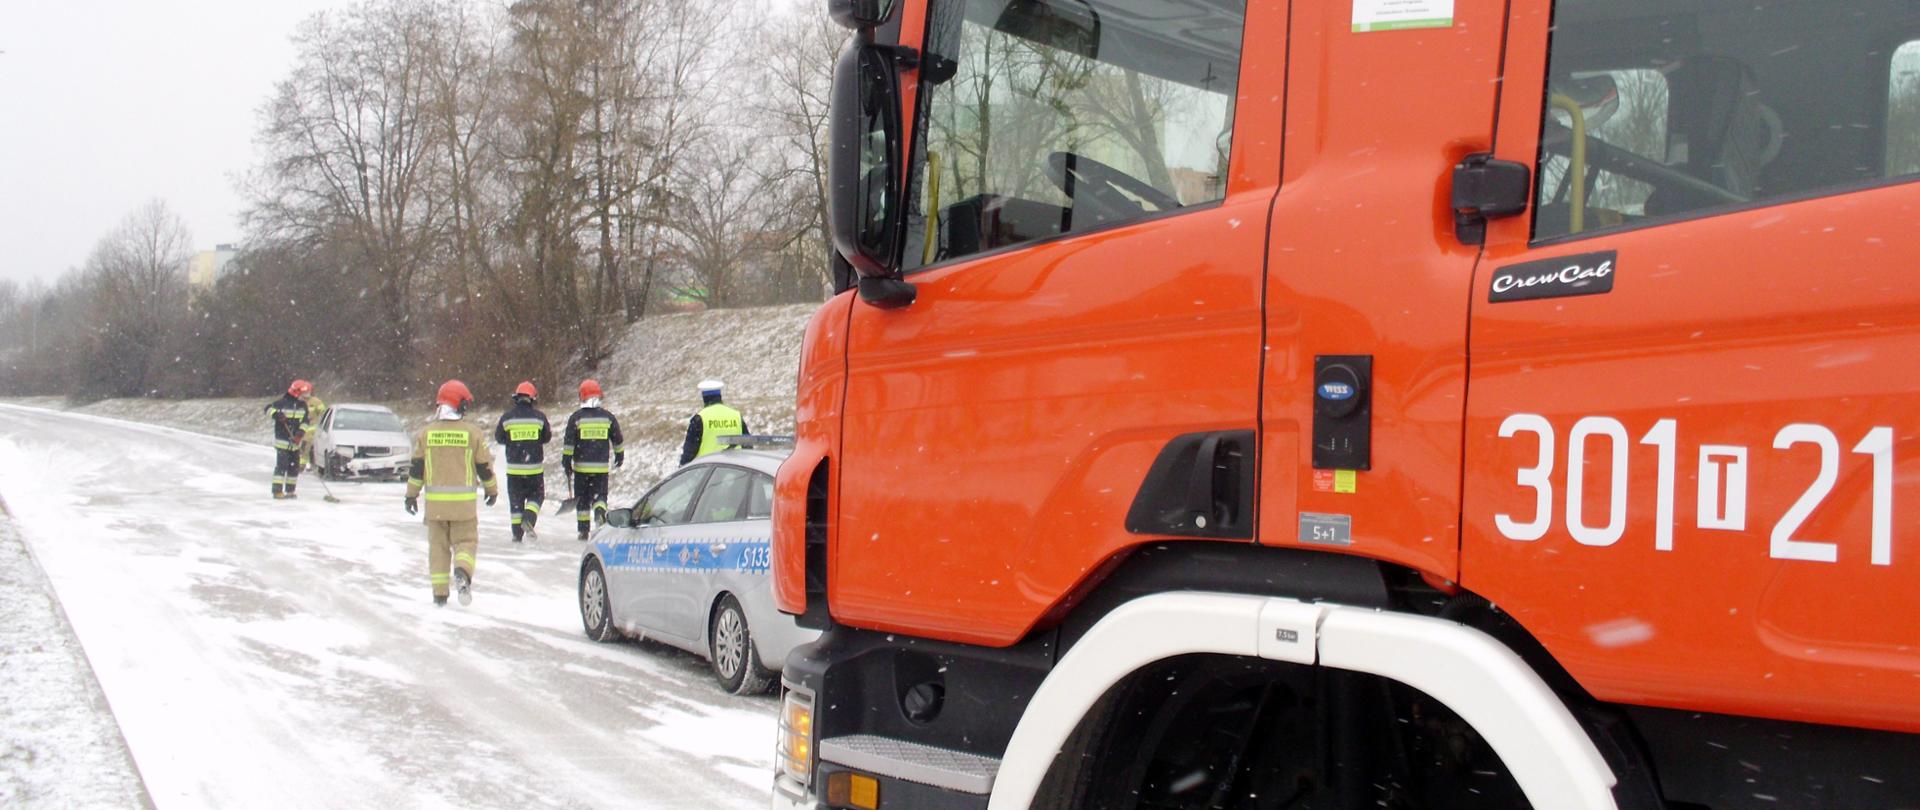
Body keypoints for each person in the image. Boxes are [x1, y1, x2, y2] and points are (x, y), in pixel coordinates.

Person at [403, 380, 498, 606]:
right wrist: (491, 489)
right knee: (466, 542)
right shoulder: (473, 434)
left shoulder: (426, 434)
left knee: (438, 549)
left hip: (435, 508)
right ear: (460, 405)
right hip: (463, 508)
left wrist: (411, 495)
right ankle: (462, 571)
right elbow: (484, 467)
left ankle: (439, 594)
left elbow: (417, 469)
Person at [563, 379, 623, 540]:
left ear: (581, 397)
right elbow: (617, 439)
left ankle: (583, 530)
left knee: (582, 499)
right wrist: (619, 455)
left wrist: (566, 461)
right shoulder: (608, 417)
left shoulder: (576, 418)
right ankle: (599, 513)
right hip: (601, 467)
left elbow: (569, 443)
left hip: (581, 468)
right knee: (600, 496)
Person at [493, 381, 552, 543]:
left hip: (514, 471)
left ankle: (516, 535)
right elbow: (546, 437)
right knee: (537, 496)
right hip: (534, 470)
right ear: (533, 399)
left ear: (516, 398)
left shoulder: (507, 418)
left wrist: (513, 442)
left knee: (516, 503)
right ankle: (529, 517)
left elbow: (499, 438)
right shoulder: (539, 417)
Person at [264, 379, 314, 499]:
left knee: (294, 468)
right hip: (282, 442)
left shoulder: (303, 406)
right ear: (296, 392)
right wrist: (277, 415)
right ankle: (277, 491)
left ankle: (290, 491)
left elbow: (305, 422)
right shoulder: (282, 403)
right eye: (304, 394)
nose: (306, 396)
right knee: (281, 467)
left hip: (295, 443)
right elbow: (267, 409)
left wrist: (300, 434)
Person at [680, 379, 749, 465]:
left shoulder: (700, 418)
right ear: (720, 396)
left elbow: (689, 452)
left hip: (708, 468)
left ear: (704, 398)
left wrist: (682, 466)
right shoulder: (736, 415)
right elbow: (747, 445)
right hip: (734, 468)